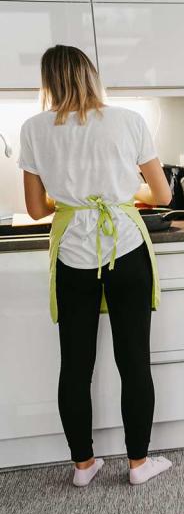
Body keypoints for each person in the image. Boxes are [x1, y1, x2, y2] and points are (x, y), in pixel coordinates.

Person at [20, 45, 174, 487]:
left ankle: (83, 466)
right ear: (91, 75)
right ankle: (139, 465)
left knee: (75, 363)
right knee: (134, 361)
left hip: (73, 253)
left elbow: (34, 209)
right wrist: (119, 196)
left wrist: (74, 200)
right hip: (125, 247)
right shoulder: (129, 120)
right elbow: (162, 196)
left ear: (48, 81)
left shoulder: (33, 128)